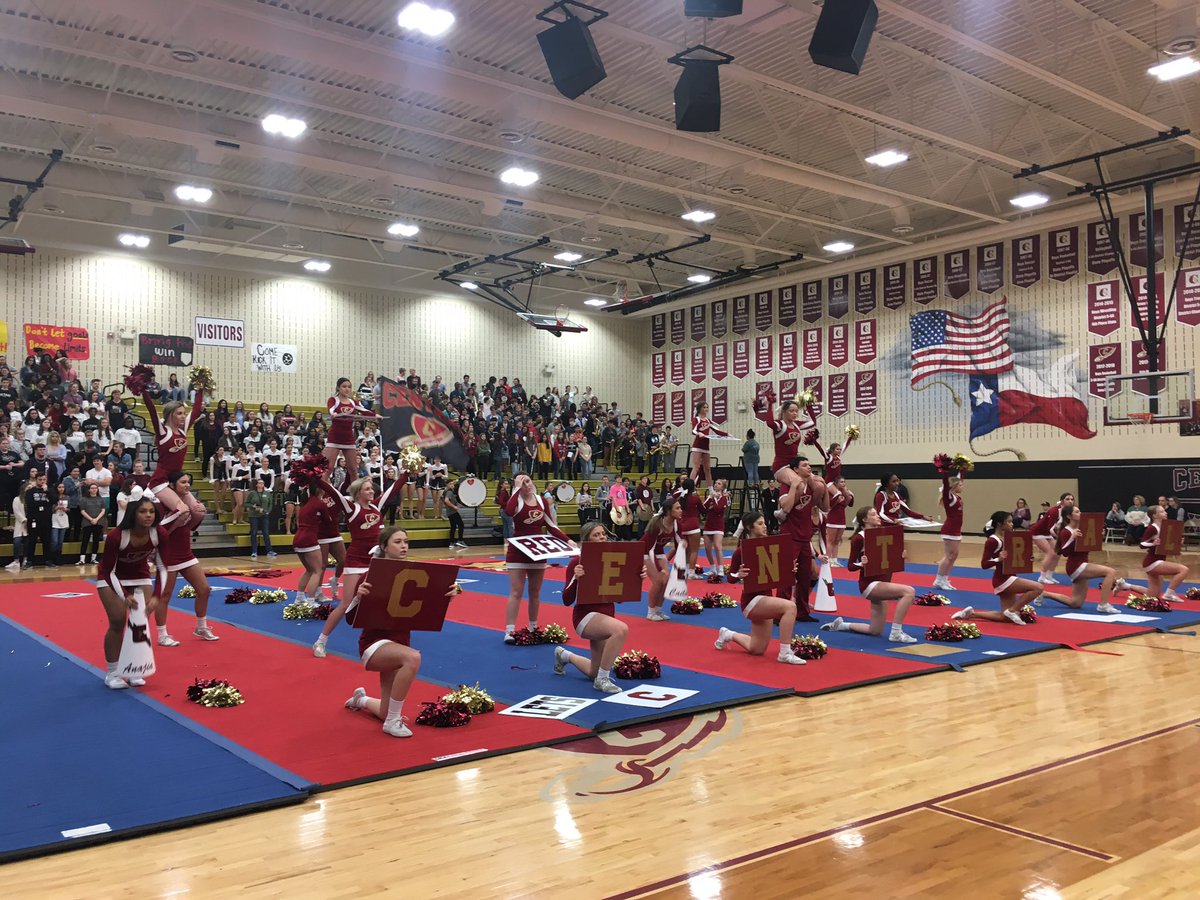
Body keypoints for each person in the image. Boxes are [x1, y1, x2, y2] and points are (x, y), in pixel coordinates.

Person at [343, 527, 464, 737]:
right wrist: (358, 599)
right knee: (413, 658)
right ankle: (392, 722)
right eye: (397, 542)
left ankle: (360, 700)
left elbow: (427, 608)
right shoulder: (369, 576)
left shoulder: (415, 574)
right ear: (384, 546)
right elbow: (350, 619)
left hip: (398, 644)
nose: (403, 546)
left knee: (383, 710)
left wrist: (449, 595)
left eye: (406, 542)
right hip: (374, 646)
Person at [312, 472, 407, 657]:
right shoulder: (351, 508)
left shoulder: (376, 506)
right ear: (358, 493)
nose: (372, 491)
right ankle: (320, 641)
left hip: (376, 561)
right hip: (356, 561)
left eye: (372, 489)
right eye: (368, 489)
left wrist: (406, 475)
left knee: (382, 601)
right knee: (346, 603)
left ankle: (382, 641)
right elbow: (332, 491)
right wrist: (315, 477)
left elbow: (392, 490)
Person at [715, 510, 807, 665]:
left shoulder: (771, 546)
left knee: (756, 648)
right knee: (790, 607)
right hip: (752, 601)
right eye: (760, 524)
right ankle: (784, 653)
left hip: (765, 598)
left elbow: (777, 575)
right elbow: (729, 577)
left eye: (764, 523)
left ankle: (727, 634)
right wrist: (739, 575)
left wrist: (789, 570)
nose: (765, 526)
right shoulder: (741, 551)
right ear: (750, 527)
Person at [952, 511, 1073, 626]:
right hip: (1002, 579)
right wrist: (998, 559)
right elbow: (984, 564)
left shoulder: (1009, 538)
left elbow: (1013, 559)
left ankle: (970, 614)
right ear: (1000, 523)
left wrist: (1026, 559)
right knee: (1038, 587)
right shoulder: (993, 541)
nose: (1012, 524)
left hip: (1009, 576)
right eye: (1009, 522)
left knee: (1005, 617)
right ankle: (1014, 610)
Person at [95, 496, 164, 689]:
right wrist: (125, 595)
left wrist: (158, 595)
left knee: (139, 622)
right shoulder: (117, 535)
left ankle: (134, 669)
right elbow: (108, 571)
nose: (148, 515)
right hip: (111, 576)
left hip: (139, 575)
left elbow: (164, 566)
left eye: (151, 511)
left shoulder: (159, 533)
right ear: (132, 514)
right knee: (117, 621)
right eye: (143, 511)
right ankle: (113, 672)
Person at [555, 521, 631, 694]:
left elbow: (619, 599)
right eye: (596, 535)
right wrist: (576, 578)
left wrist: (635, 577)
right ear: (586, 540)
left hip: (605, 617)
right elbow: (566, 600)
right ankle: (602, 680)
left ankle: (564, 655)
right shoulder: (577, 562)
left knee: (592, 672)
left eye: (603, 534)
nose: (602, 537)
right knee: (621, 630)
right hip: (586, 618)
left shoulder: (611, 560)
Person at [821, 506, 917, 643]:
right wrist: (862, 564)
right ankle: (896, 632)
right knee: (909, 592)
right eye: (873, 514)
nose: (878, 516)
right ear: (865, 519)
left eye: (877, 514)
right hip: (870, 585)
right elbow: (850, 566)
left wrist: (900, 556)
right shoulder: (859, 538)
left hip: (883, 582)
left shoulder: (882, 534)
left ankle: (841, 625)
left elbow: (888, 560)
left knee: (875, 630)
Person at [503, 474, 575, 643]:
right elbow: (508, 511)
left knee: (535, 592)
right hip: (518, 551)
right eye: (522, 482)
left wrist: (568, 540)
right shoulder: (517, 500)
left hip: (537, 551)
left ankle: (533, 627)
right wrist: (516, 489)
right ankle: (509, 630)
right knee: (516, 592)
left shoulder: (541, 500)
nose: (526, 484)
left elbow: (551, 525)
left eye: (527, 480)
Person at [154, 472, 219, 645]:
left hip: (186, 553)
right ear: (172, 485)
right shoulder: (162, 504)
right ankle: (162, 634)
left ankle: (201, 626)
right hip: (167, 556)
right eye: (183, 482)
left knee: (204, 589)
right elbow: (157, 531)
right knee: (165, 595)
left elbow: (192, 526)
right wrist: (176, 516)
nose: (187, 485)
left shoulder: (188, 502)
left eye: (188, 482)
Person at [140, 387, 206, 532]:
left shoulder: (183, 431)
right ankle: (155, 537)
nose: (183, 416)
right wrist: (143, 390)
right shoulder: (163, 432)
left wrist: (201, 389)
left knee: (199, 512)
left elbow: (195, 410)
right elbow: (151, 409)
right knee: (183, 511)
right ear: (171, 415)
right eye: (179, 414)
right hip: (161, 481)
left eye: (184, 413)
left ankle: (176, 535)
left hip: (176, 480)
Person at [779, 458, 827, 623]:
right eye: (805, 465)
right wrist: (794, 486)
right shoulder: (786, 485)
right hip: (790, 536)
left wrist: (824, 487)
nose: (809, 467)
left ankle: (802, 612)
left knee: (805, 576)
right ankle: (780, 612)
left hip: (805, 538)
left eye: (809, 464)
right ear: (795, 470)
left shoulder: (812, 487)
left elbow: (826, 508)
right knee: (786, 576)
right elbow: (785, 507)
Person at [1048, 505, 1123, 612]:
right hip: (1075, 566)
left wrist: (1099, 536)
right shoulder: (1066, 531)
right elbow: (1064, 552)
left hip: (1082, 563)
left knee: (1075, 603)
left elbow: (1088, 546)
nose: (1080, 514)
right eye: (1077, 512)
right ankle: (1103, 605)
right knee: (1110, 572)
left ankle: (1045, 594)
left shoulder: (1083, 528)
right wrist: (1072, 538)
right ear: (1069, 516)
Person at [753, 390, 815, 497]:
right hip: (781, 465)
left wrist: (808, 404)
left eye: (796, 411)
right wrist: (770, 404)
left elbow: (812, 422)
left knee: (818, 486)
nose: (795, 413)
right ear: (784, 412)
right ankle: (784, 510)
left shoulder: (796, 425)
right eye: (791, 411)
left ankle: (813, 510)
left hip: (794, 465)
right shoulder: (780, 425)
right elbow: (770, 423)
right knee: (799, 485)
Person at [324, 377, 378, 482]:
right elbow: (331, 409)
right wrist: (333, 413)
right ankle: (320, 495)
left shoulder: (353, 402)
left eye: (349, 387)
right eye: (344, 386)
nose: (347, 389)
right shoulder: (333, 400)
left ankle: (356, 496)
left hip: (348, 438)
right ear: (338, 388)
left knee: (353, 469)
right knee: (328, 468)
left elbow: (365, 411)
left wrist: (376, 415)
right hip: (335, 437)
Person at [640, 495, 683, 621]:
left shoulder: (676, 525)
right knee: (659, 580)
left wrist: (680, 566)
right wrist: (660, 568)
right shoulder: (657, 524)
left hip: (658, 553)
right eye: (678, 508)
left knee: (667, 581)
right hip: (644, 552)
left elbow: (680, 545)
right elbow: (649, 549)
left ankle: (658, 610)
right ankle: (650, 611)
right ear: (669, 511)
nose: (681, 510)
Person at [1140, 505, 1190, 602]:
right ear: (1154, 515)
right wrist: (1152, 543)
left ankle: (1125, 585)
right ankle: (1169, 593)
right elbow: (1142, 544)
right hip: (1152, 562)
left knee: (1152, 594)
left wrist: (1177, 543)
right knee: (1183, 570)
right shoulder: (1152, 528)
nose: (1165, 513)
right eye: (1162, 512)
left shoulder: (1165, 527)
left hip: (1158, 560)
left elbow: (1167, 545)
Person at [1030, 491, 1074, 585]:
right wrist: (1060, 537)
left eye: (1072, 499)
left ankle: (1049, 576)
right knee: (1051, 552)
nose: (1070, 501)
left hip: (1048, 533)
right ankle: (1042, 577)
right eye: (1067, 499)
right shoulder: (1055, 511)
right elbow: (1050, 528)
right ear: (1061, 501)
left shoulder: (1068, 512)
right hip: (1038, 532)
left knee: (1058, 553)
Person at [933, 470, 965, 591]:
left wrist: (963, 470)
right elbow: (946, 485)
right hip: (950, 530)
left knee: (953, 555)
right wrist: (945, 472)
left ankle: (944, 578)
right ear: (954, 486)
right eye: (960, 485)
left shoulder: (956, 496)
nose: (963, 486)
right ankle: (939, 580)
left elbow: (958, 478)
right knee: (949, 556)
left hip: (956, 529)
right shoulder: (949, 497)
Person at [688, 401, 730, 488]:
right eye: (704, 407)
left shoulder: (708, 420)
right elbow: (693, 430)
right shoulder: (696, 419)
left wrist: (727, 434)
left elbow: (717, 431)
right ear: (699, 409)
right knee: (696, 467)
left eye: (707, 407)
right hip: (697, 446)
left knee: (707, 469)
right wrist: (699, 433)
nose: (706, 409)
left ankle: (711, 489)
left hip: (706, 446)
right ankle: (690, 487)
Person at [701, 479, 729, 579]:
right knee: (707, 548)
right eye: (715, 483)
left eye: (719, 484)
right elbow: (704, 508)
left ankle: (721, 569)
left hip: (718, 525)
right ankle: (712, 568)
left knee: (717, 546)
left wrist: (713, 503)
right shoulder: (710, 496)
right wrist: (711, 499)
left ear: (723, 487)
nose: (716, 485)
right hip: (709, 524)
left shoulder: (724, 498)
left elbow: (718, 509)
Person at [824, 475, 853, 566]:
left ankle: (835, 559)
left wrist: (848, 495)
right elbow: (829, 506)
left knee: (837, 540)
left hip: (841, 519)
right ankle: (829, 560)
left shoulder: (844, 492)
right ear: (836, 483)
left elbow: (846, 505)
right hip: (832, 518)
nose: (843, 483)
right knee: (830, 540)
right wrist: (837, 500)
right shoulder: (831, 492)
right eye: (841, 482)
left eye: (844, 482)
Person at [246, 477, 277, 560]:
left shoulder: (267, 493)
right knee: (254, 532)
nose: (261, 484)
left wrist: (267, 511)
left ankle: (269, 550)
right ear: (256, 485)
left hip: (264, 515)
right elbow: (246, 503)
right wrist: (253, 506)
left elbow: (270, 504)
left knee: (266, 533)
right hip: (253, 515)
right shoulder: (252, 493)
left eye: (262, 483)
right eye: (259, 483)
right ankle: (254, 551)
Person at [77, 481, 106, 565]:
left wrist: (96, 519)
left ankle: (94, 558)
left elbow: (103, 510)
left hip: (98, 522)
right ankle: (82, 559)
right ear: (89, 490)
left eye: (95, 488)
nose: (94, 490)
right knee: (85, 540)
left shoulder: (101, 499)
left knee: (96, 540)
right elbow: (82, 511)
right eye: (92, 488)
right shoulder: (84, 499)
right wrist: (91, 519)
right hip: (87, 522)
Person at [444, 478, 467, 550]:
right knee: (461, 524)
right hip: (453, 512)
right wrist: (454, 506)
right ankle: (460, 540)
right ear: (447, 485)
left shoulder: (447, 492)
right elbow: (446, 500)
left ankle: (451, 542)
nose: (452, 485)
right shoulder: (449, 492)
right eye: (450, 484)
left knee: (453, 527)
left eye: (452, 484)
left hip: (449, 512)